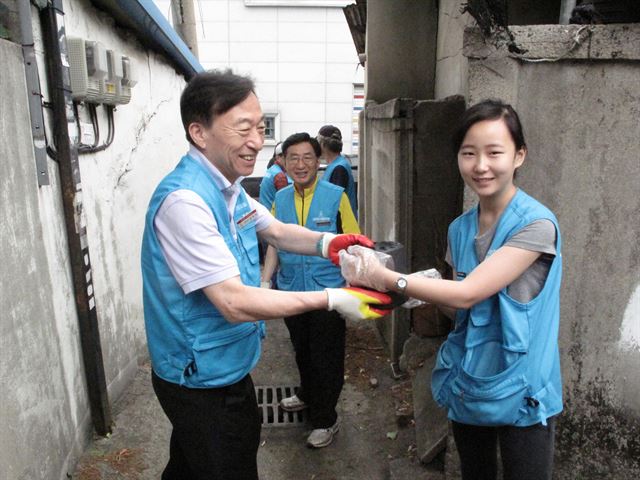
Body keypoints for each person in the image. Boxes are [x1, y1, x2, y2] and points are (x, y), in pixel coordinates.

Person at [140, 70, 392, 480]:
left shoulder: (230, 188)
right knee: (228, 459)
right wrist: (331, 299)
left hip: (221, 366)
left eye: (260, 127)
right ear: (199, 132)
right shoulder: (186, 201)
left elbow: (274, 230)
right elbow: (234, 302)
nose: (257, 140)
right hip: (201, 378)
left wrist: (328, 244)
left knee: (190, 464)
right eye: (243, 128)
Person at [339, 99, 562, 480]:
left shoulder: (536, 225)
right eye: (468, 153)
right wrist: (416, 292)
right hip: (472, 380)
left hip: (524, 388)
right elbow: (461, 311)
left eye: (495, 152)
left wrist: (388, 277)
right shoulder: (460, 229)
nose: (481, 166)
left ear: (519, 155)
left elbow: (468, 293)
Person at [261, 132, 359, 448]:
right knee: (301, 349)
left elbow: (353, 243)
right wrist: (266, 282)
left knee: (326, 357)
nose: (300, 164)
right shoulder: (281, 199)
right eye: (294, 158)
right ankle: (306, 393)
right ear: (284, 163)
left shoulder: (336, 195)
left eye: (307, 158)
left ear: (318, 162)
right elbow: (275, 243)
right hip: (291, 291)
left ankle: (326, 419)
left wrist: (352, 290)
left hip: (327, 293)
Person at [317, 125, 357, 217]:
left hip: (339, 226)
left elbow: (334, 203)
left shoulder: (338, 169)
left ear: (322, 145)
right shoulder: (339, 163)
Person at [259, 141, 291, 210]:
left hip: (265, 211)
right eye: (285, 157)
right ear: (278, 157)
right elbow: (285, 203)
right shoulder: (280, 176)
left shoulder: (272, 169)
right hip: (273, 214)